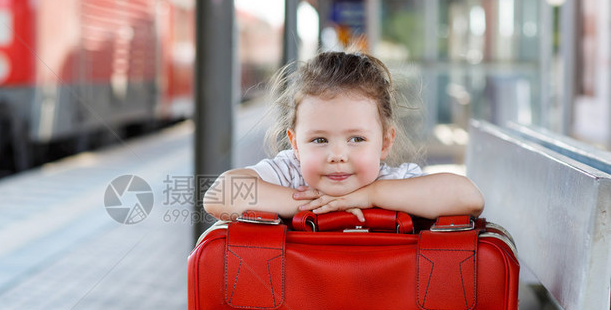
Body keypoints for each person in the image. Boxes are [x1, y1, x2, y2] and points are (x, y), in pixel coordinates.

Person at [203, 50, 484, 222]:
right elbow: (218, 195)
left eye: (356, 139)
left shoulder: (390, 183)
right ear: (295, 144)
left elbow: (468, 197)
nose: (337, 155)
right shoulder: (289, 174)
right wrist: (313, 205)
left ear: (385, 142)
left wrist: (372, 195)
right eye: (319, 140)